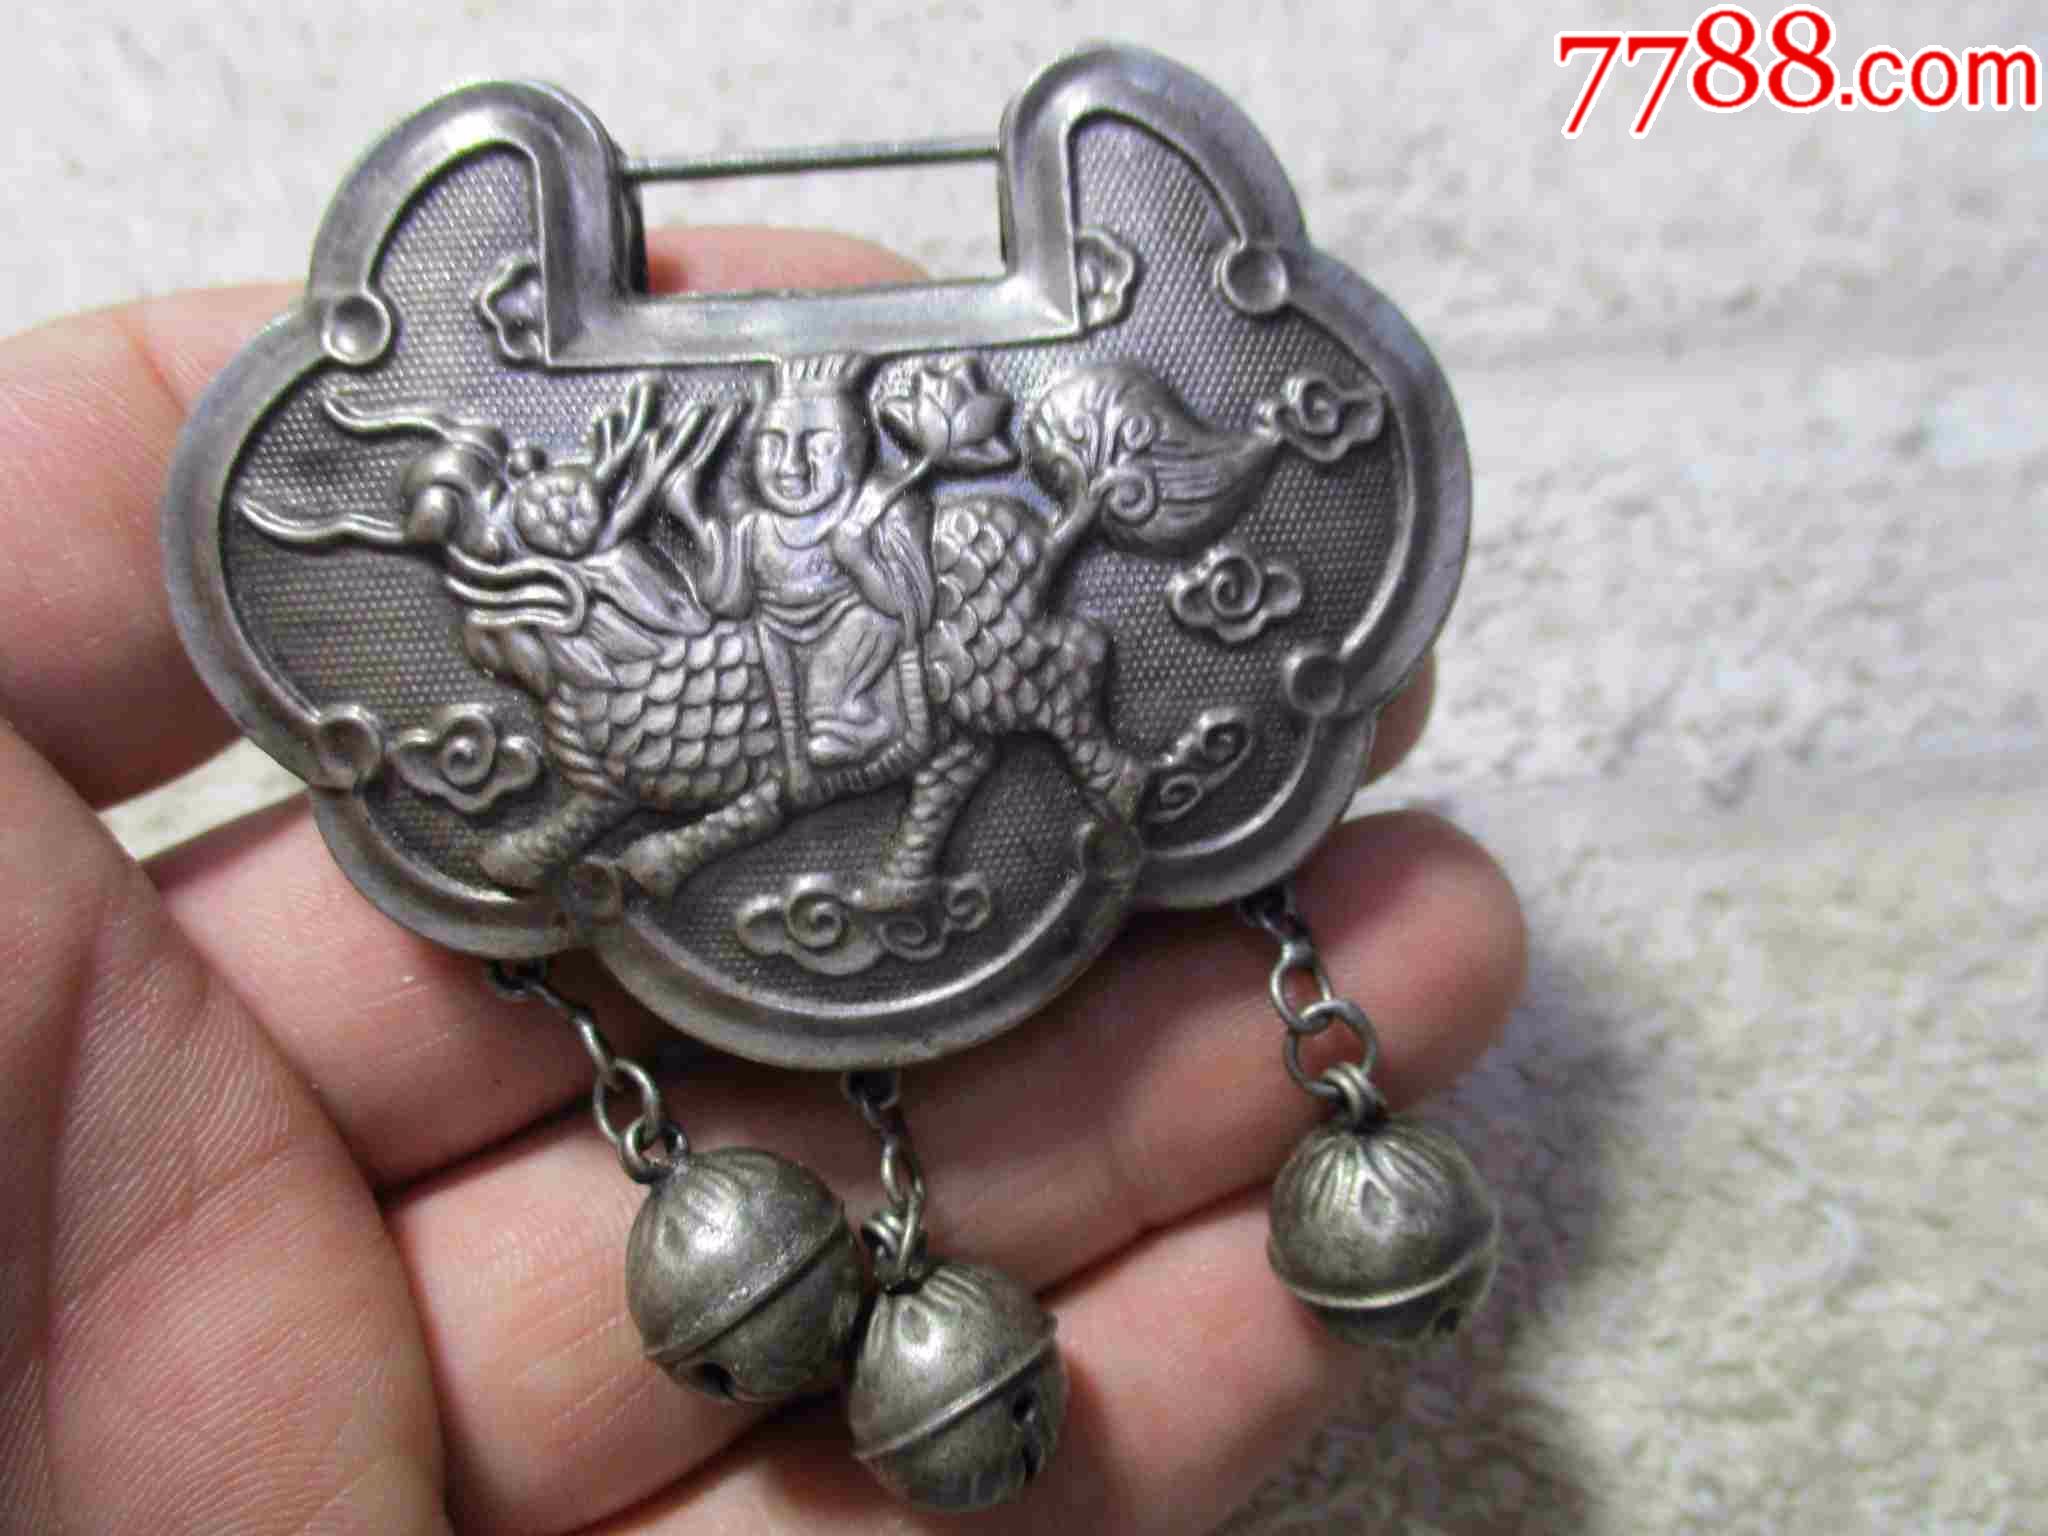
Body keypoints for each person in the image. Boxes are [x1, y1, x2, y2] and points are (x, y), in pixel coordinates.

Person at [0, 228, 1524, 1532]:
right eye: (779, 451)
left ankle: (914, 798)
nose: (791, 462)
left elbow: (887, 588)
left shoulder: (878, 521)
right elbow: (713, 580)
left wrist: (876, 550)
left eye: (811, 448)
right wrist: (675, 514)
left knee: (860, 737)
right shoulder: (733, 540)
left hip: (849, 701)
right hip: (763, 701)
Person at [674, 352, 935, 808]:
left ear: (855, 451)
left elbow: (907, 611)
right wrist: (693, 516)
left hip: (860, 636)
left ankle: (862, 721)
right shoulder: (756, 528)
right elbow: (729, 602)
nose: (792, 466)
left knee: (829, 699)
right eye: (772, 444)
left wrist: (857, 557)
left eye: (820, 445)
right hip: (775, 647)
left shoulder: (876, 512)